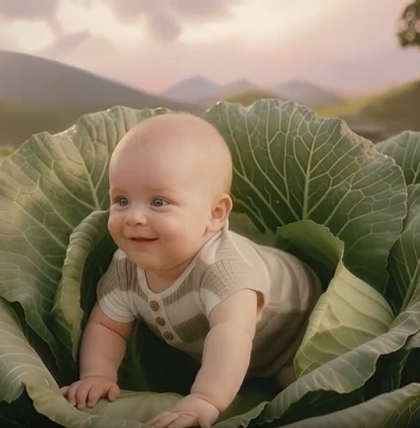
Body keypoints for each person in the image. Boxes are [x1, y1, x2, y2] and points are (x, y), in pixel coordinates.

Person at [60, 112, 322, 428]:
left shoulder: (226, 273)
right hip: (220, 351)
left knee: (305, 389)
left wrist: (206, 399)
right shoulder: (126, 267)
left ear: (215, 213)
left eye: (158, 202)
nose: (134, 217)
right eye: (122, 200)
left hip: (299, 337)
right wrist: (97, 374)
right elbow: (108, 326)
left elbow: (232, 335)